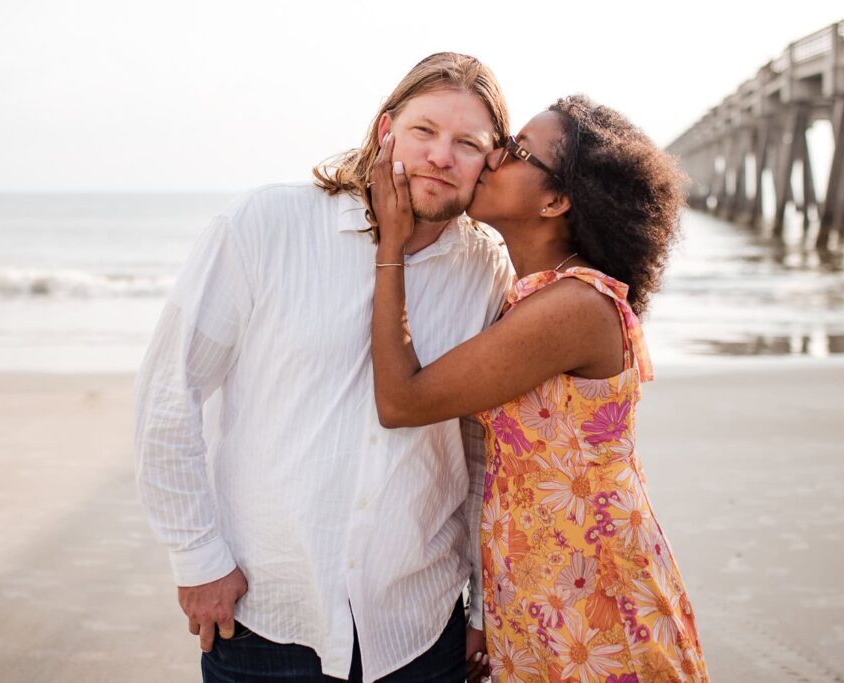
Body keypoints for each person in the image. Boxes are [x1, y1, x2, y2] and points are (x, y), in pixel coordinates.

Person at [134, 52, 513, 683]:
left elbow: (480, 446)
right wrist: (196, 558)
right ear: (385, 128)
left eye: (467, 143)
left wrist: (483, 598)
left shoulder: (485, 267)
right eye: (424, 131)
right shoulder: (265, 224)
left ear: (489, 161)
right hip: (266, 614)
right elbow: (171, 393)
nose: (441, 156)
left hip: (419, 628)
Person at [369, 95, 710, 681]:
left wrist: (392, 247)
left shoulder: (573, 306)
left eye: (518, 150)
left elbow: (402, 401)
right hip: (541, 579)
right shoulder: (529, 294)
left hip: (591, 591)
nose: (495, 155)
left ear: (555, 200)